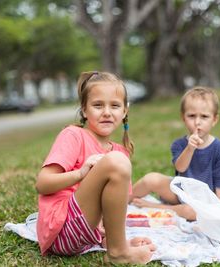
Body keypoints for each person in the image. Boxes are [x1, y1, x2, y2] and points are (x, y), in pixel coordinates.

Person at [35, 71, 155, 264]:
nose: (107, 112)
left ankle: (117, 247)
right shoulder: (73, 135)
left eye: (115, 105)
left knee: (117, 159)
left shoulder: (120, 153)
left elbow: (113, 208)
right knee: (115, 161)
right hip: (61, 233)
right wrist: (80, 173)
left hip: (87, 237)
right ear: (84, 110)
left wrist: (114, 239)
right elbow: (42, 184)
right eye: (98, 105)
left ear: (125, 111)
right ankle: (118, 254)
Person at [130, 86, 220, 221]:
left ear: (214, 120)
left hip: (202, 202)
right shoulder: (179, 144)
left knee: (191, 212)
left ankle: (156, 206)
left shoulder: (219, 149)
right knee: (151, 178)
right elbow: (181, 167)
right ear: (183, 118)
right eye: (191, 116)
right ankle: (119, 202)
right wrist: (190, 148)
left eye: (204, 116)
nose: (197, 122)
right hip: (179, 192)